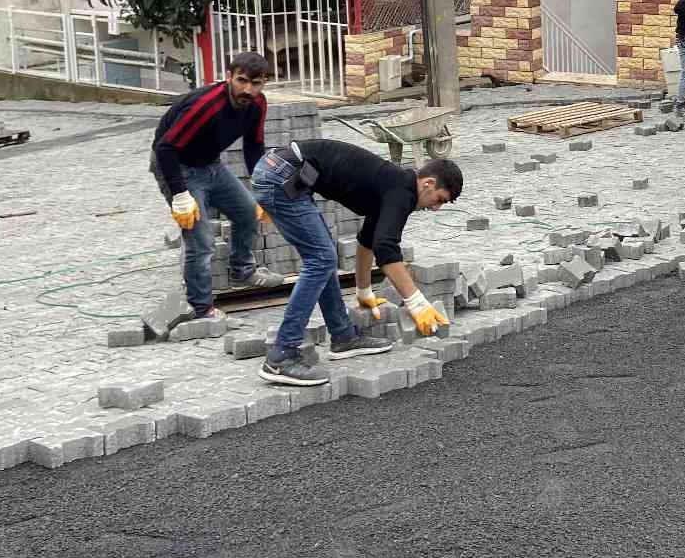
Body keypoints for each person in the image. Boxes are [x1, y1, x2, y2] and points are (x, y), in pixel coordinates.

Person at [250, 137, 462, 386]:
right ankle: (281, 357)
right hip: (282, 174)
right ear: (428, 183)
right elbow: (387, 249)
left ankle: (343, 337)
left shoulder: (392, 186)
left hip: (283, 172)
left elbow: (368, 241)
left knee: (324, 254)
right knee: (321, 258)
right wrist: (417, 303)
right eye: (439, 199)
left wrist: (364, 291)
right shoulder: (402, 192)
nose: (435, 208)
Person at [150, 51, 282, 321]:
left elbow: (254, 145)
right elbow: (165, 148)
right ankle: (201, 307)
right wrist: (180, 195)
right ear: (229, 76)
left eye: (256, 84)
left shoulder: (257, 105)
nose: (248, 89)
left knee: (248, 212)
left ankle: (242, 271)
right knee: (201, 241)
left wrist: (263, 188)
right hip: (176, 166)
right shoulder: (206, 105)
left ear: (264, 82)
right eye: (242, 81)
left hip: (212, 165)